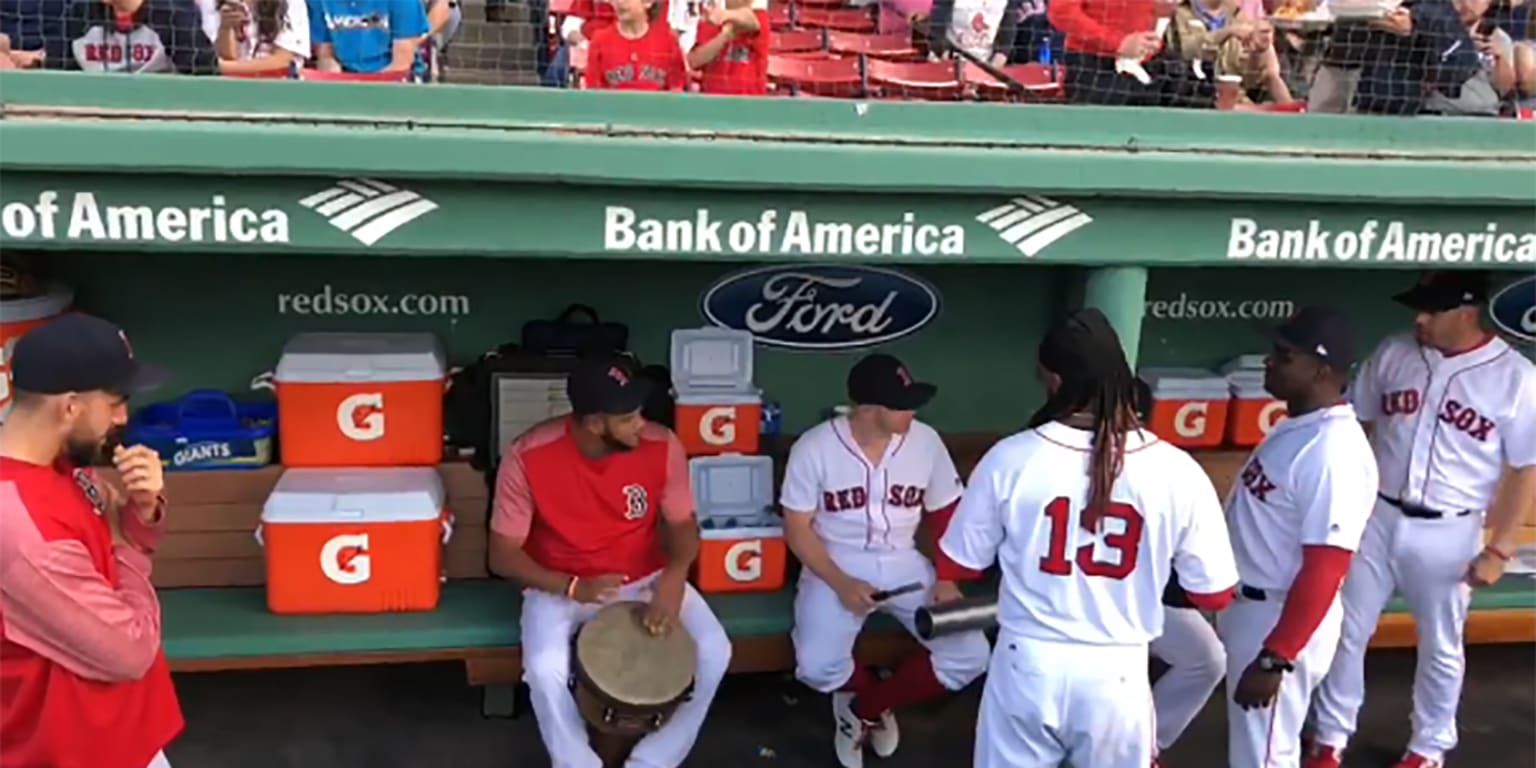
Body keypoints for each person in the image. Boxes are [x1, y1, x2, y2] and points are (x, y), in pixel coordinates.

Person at [939, 308, 1239, 768]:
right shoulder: (1177, 469)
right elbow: (1213, 594)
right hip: (1116, 671)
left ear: (1056, 382)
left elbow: (961, 564)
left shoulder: (1011, 457)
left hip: (1027, 661)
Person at [1308, 272, 1536, 768]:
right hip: (1377, 513)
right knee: (1346, 628)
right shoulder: (1394, 352)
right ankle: (1330, 735)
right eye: (1419, 308)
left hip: (1450, 528)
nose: (1420, 319)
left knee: (1440, 644)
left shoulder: (1516, 378)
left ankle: (1429, 747)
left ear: (1467, 313)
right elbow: (1354, 423)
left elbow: (1525, 469)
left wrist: (1499, 548)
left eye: (1432, 310)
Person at [487, 354, 731, 768]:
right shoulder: (529, 454)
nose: (641, 423)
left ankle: (653, 761)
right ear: (595, 423)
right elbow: (502, 555)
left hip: (647, 574)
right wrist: (571, 587)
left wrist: (674, 576)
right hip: (561, 582)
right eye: (629, 417)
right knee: (545, 669)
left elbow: (683, 524)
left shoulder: (661, 444)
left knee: (714, 650)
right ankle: (577, 762)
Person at [780, 353, 990, 768]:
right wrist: (841, 583)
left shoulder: (926, 442)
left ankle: (868, 707)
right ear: (868, 409)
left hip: (904, 564)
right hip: (832, 563)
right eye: (901, 403)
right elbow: (797, 528)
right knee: (816, 666)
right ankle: (850, 694)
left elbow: (948, 514)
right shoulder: (816, 446)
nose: (912, 410)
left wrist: (947, 578)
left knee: (971, 654)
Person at [0, 313, 183, 768]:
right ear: (70, 406)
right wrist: (128, 546)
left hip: (120, 734)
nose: (123, 418)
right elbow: (130, 650)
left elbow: (119, 538)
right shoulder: (16, 522)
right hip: (69, 751)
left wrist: (142, 509)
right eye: (116, 401)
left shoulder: (60, 465)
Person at [1218, 306, 1378, 768]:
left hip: (1279, 618)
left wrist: (1276, 657)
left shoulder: (1334, 453)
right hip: (1253, 608)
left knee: (1265, 756)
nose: (1269, 362)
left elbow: (1326, 568)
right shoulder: (1299, 425)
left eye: (1285, 356)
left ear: (1321, 369)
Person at [1133, 377, 1227, 758]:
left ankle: (1146, 744)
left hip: (1147, 599)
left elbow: (1208, 589)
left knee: (1207, 659)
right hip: (1079, 605)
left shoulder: (1170, 469)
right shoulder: (1065, 462)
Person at [66, 0, 219, 74]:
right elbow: (58, 71)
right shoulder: (79, 14)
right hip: (91, 109)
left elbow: (205, 75)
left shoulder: (174, 15)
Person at [584, 0, 687, 90]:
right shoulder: (599, 41)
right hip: (613, 111)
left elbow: (676, 92)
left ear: (648, 2)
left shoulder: (668, 42)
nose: (619, 2)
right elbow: (593, 94)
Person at [307, 0, 428, 74]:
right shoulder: (319, 2)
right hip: (345, 80)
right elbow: (325, 56)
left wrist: (366, 92)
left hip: (396, 82)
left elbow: (402, 63)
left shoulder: (404, 2)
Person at [687, 0, 769, 95]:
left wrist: (724, 15)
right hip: (713, 100)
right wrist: (723, 37)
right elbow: (693, 61)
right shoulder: (710, 22)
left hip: (749, 101)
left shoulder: (760, 16)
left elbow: (752, 21)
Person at [213, 0, 310, 75]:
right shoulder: (226, 4)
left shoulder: (291, 3)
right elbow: (229, 57)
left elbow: (283, 62)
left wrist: (221, 67)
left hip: (280, 88)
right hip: (235, 88)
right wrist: (225, 27)